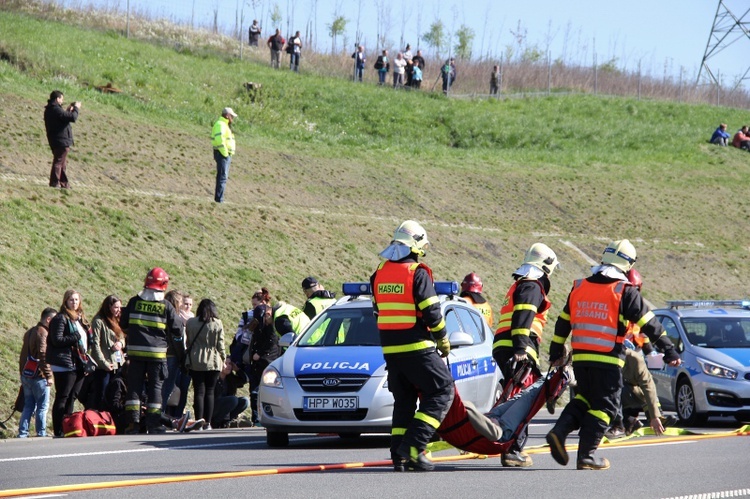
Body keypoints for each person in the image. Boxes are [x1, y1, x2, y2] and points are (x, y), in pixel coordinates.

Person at [546, 239, 682, 470]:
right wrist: (669, 350)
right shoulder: (624, 291)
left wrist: (556, 350)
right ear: (627, 265)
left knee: (585, 399)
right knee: (607, 408)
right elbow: (650, 324)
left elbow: (562, 323)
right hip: (607, 359)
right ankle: (586, 456)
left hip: (581, 359)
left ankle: (559, 431)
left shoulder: (580, 286)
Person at [371, 220, 453, 472]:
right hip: (417, 346)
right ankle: (414, 447)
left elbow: (377, 311)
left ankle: (399, 456)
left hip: (391, 350)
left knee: (404, 400)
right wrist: (443, 340)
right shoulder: (417, 272)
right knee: (441, 391)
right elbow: (432, 313)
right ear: (416, 246)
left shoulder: (379, 273)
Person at [492, 243, 559, 467]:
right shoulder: (532, 287)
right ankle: (512, 449)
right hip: (518, 349)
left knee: (517, 397)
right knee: (524, 399)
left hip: (507, 347)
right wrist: (521, 349)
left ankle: (509, 444)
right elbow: (523, 318)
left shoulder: (522, 285)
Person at [120, 268, 184, 434]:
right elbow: (178, 329)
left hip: (135, 354)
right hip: (157, 355)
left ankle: (133, 424)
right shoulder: (165, 306)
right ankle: (153, 424)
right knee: (155, 389)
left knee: (134, 388)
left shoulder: (134, 301)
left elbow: (123, 323)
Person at [47, 289, 90, 437]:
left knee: (72, 396)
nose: (74, 302)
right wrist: (74, 336)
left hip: (78, 362)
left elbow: (85, 341)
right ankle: (58, 429)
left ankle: (68, 427)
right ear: (65, 301)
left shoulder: (80, 319)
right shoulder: (61, 318)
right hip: (64, 363)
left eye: (77, 300)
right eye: (71, 300)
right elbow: (56, 340)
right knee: (63, 396)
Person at [185, 298, 225, 431]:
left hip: (195, 360)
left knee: (198, 391)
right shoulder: (217, 324)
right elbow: (220, 345)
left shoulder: (191, 322)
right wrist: (223, 358)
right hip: (213, 360)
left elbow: (189, 342)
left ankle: (199, 422)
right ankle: (208, 423)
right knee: (210, 392)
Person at [17, 307, 57, 438]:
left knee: (28, 405)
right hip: (38, 376)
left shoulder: (29, 332)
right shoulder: (43, 333)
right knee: (42, 407)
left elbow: (23, 355)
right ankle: (41, 433)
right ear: (49, 319)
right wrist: (48, 375)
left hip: (26, 374)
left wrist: (22, 373)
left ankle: (22, 433)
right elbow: (43, 356)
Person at [248, 288, 280, 424]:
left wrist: (259, 354)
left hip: (265, 360)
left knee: (261, 390)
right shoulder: (260, 324)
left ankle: (262, 416)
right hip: (260, 360)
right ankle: (256, 417)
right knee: (255, 390)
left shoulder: (270, 326)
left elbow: (271, 342)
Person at [88, 295, 126, 411]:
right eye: (116, 307)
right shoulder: (98, 321)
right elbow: (96, 345)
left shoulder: (117, 320)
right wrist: (103, 363)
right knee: (102, 395)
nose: (119, 310)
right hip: (104, 367)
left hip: (117, 364)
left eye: (120, 307)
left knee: (114, 395)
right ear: (108, 307)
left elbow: (122, 337)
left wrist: (121, 344)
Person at [44, 90, 80, 189]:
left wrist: (68, 111)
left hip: (55, 140)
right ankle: (55, 182)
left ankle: (64, 183)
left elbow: (63, 119)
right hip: (61, 141)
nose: (62, 101)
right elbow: (73, 118)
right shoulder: (55, 109)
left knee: (62, 163)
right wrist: (76, 108)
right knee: (59, 162)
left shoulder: (50, 109)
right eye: (61, 99)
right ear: (57, 98)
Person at [161, 290, 185, 416]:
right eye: (180, 301)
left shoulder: (160, 316)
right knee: (167, 388)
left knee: (158, 388)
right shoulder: (174, 317)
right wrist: (182, 357)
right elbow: (177, 341)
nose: (182, 304)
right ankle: (160, 415)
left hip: (159, 355)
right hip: (171, 356)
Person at [211, 358, 250, 428]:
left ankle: (226, 421)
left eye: (230, 364)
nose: (228, 366)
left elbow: (245, 380)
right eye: (226, 363)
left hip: (228, 408)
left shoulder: (230, 379)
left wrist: (237, 370)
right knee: (233, 400)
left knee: (245, 401)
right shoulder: (213, 378)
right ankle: (216, 422)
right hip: (214, 407)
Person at [211, 107, 237, 203]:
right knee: (222, 177)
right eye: (232, 116)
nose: (232, 118)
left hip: (224, 154)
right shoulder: (221, 125)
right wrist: (225, 154)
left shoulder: (224, 125)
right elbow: (219, 140)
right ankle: (219, 199)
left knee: (222, 177)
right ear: (227, 116)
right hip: (222, 154)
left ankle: (219, 198)